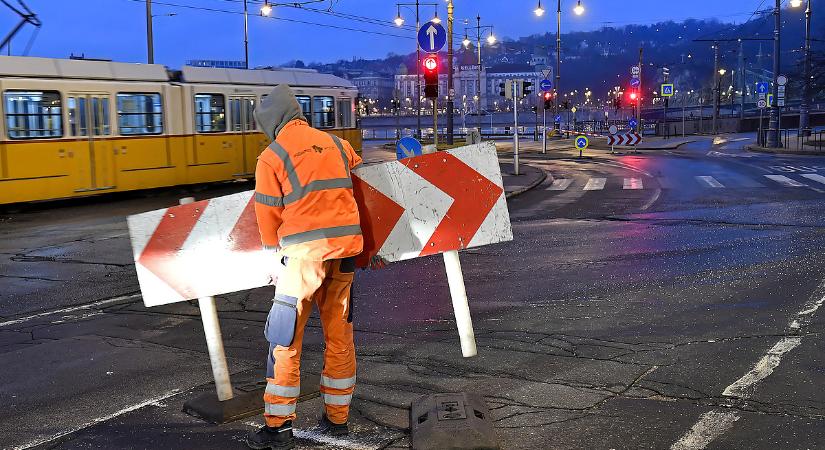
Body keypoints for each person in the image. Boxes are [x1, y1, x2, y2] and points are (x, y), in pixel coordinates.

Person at [247, 85, 364, 449]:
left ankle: (278, 426)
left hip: (303, 259)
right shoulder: (337, 145)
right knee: (339, 333)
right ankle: (337, 419)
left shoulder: (271, 157)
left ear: (270, 123)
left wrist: (272, 258)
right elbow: (357, 179)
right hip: (345, 253)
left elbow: (268, 218)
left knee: (285, 338)